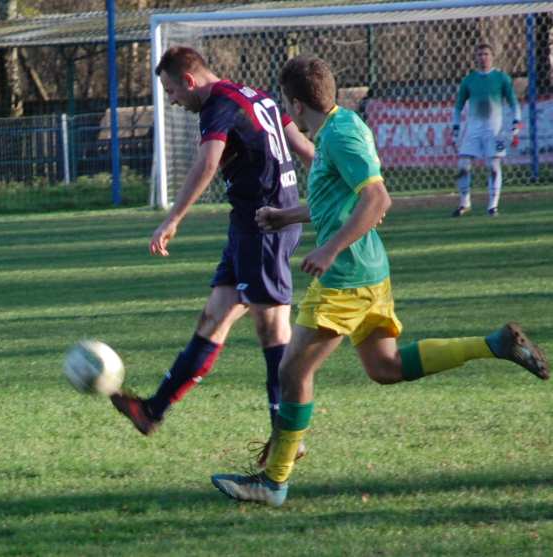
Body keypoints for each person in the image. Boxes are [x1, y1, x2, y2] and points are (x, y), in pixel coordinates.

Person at [210, 55, 549, 507]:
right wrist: (285, 215)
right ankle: (493, 344)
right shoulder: (341, 126)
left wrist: (328, 249)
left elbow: (378, 199)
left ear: (293, 103)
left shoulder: (341, 136)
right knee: (384, 367)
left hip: (346, 275)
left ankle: (272, 482)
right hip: (371, 271)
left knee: (293, 371)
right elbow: (340, 199)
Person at [110, 46, 315, 443]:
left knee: (272, 332)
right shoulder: (257, 95)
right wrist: (331, 174)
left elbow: (207, 163)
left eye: (171, 92)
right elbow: (304, 149)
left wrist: (172, 219)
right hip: (247, 226)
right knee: (214, 316)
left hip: (265, 225)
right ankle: (152, 410)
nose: (172, 100)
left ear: (189, 81)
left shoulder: (217, 105)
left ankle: (286, 437)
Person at [451, 43, 521, 217]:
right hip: (473, 130)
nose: (483, 57)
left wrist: (516, 122)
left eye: (486, 54)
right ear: (475, 57)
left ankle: (492, 206)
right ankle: (464, 203)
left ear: (492, 56)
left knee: (493, 165)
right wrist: (456, 127)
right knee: (463, 164)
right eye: (480, 54)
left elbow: (513, 102)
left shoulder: (502, 78)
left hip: (494, 131)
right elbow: (458, 106)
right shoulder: (469, 80)